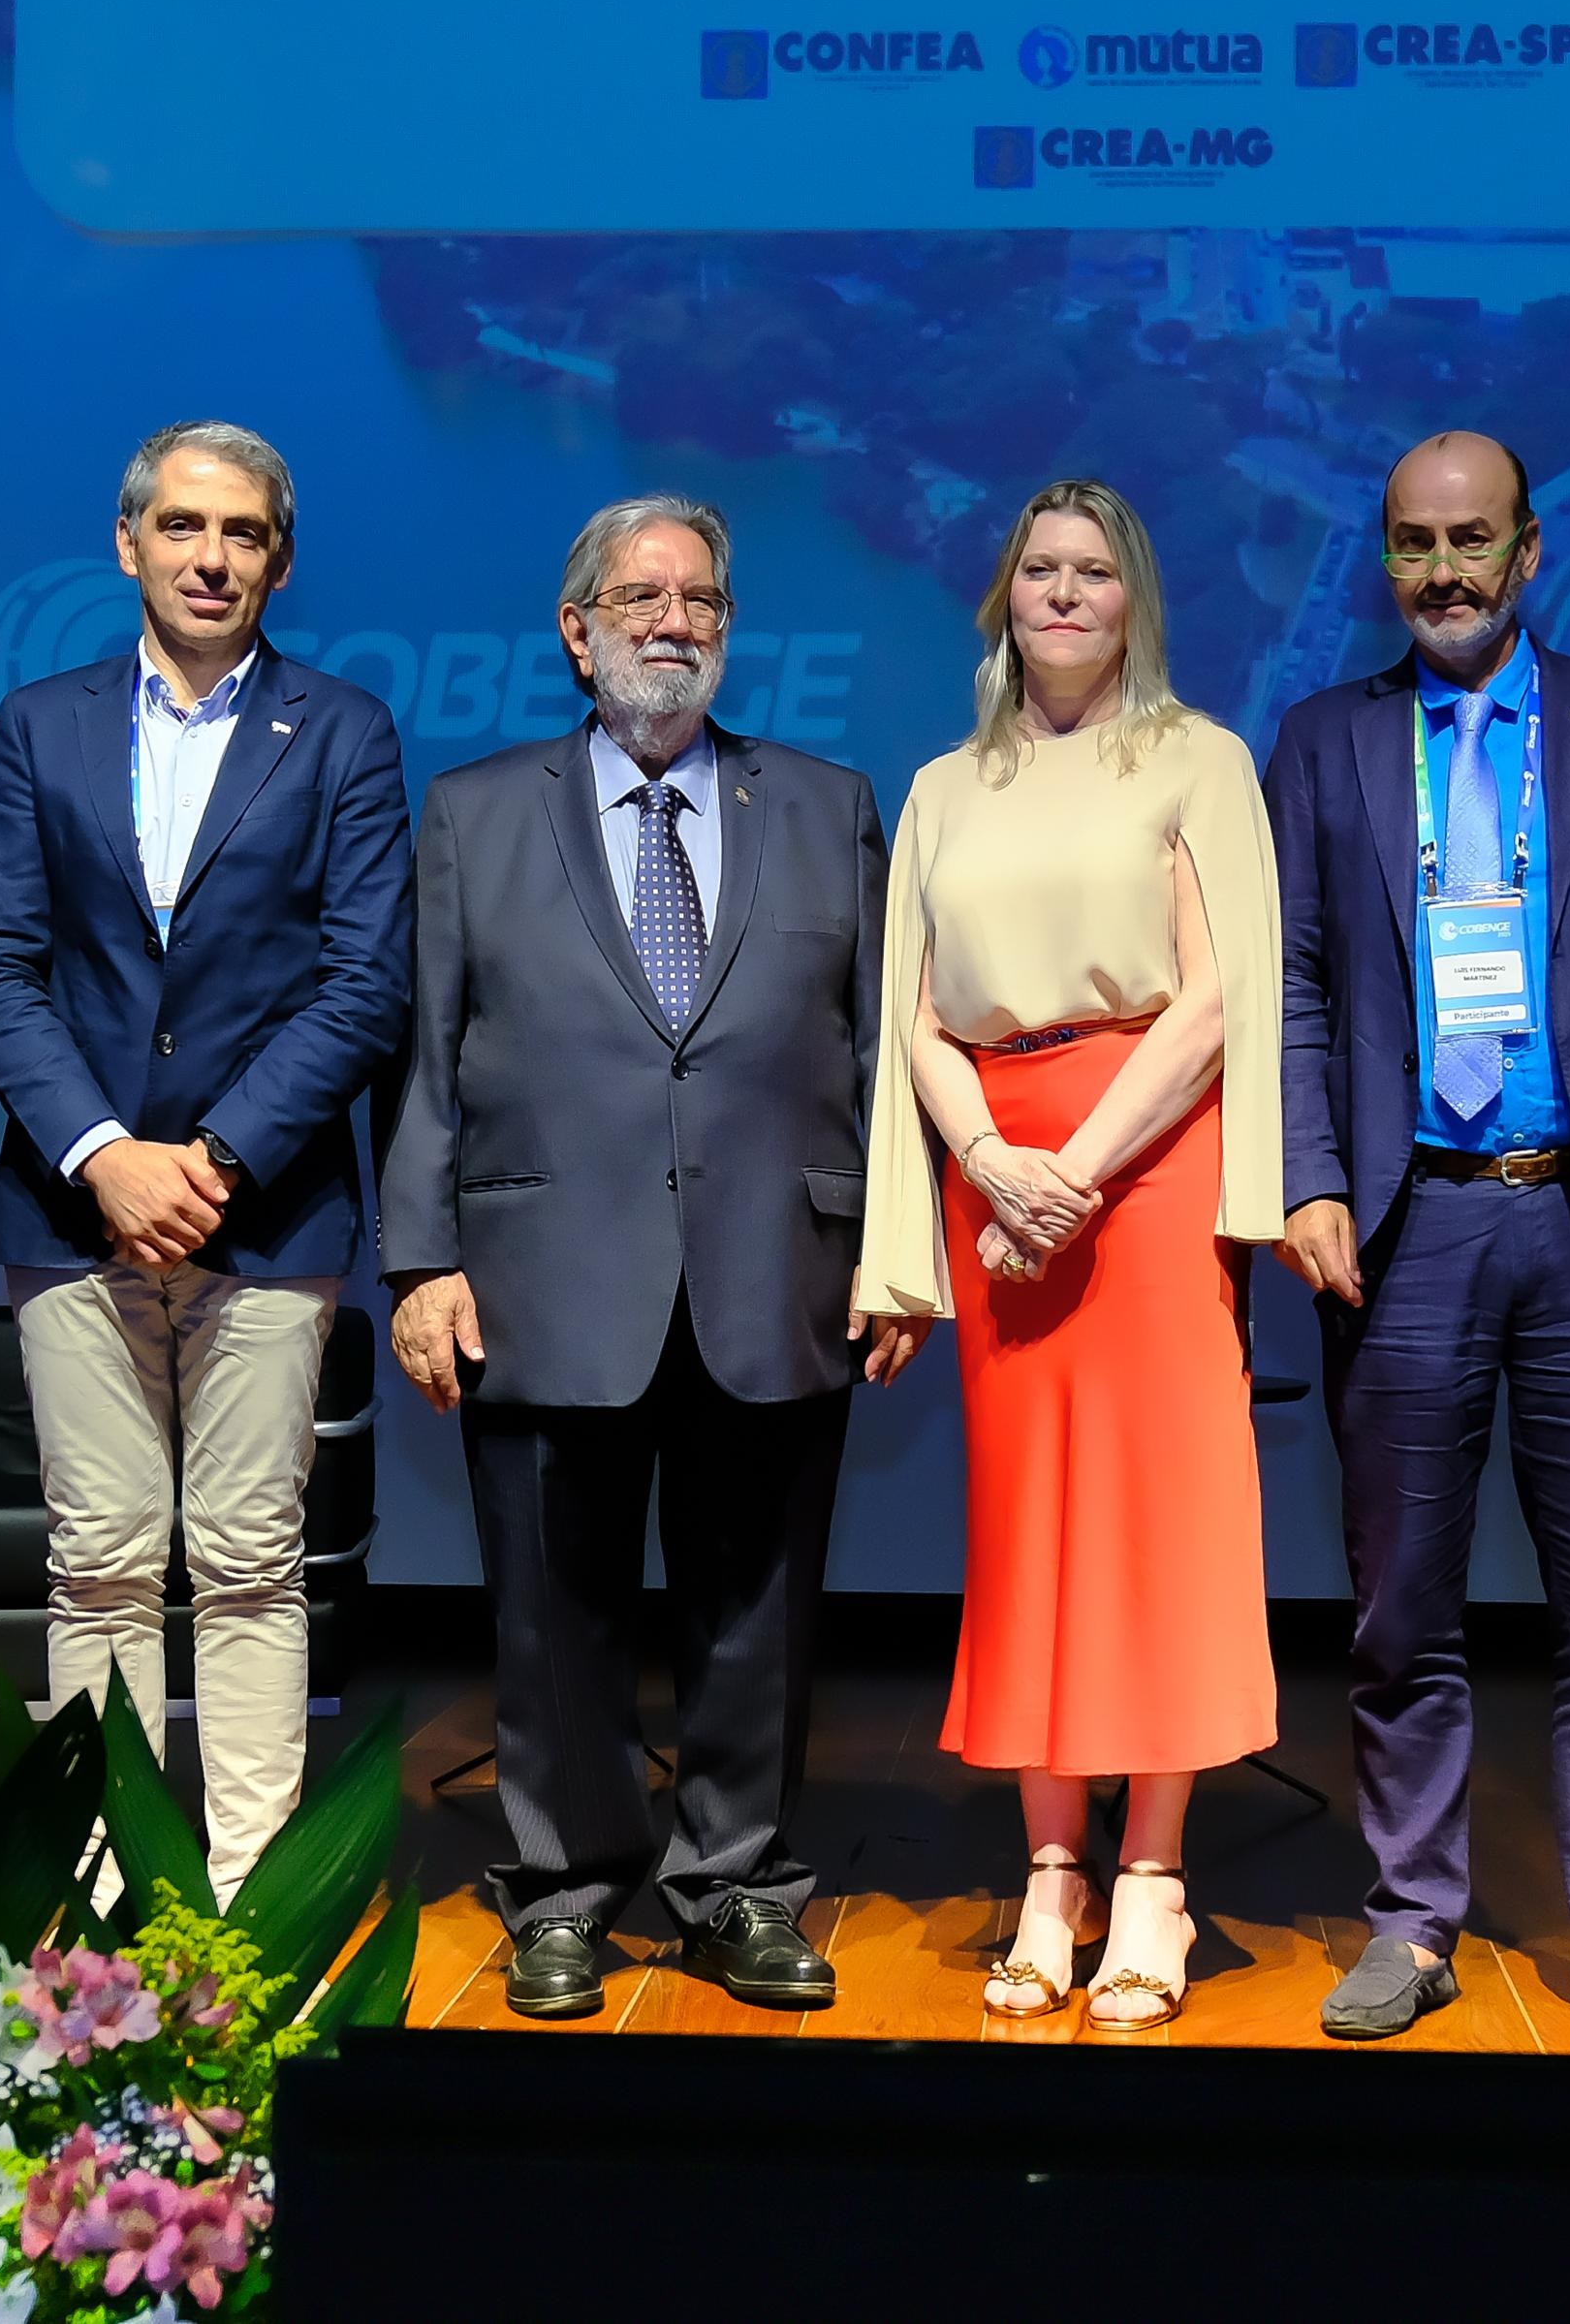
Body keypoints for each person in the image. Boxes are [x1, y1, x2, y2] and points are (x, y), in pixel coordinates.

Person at [383, 494, 926, 2019]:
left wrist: (900, 1251)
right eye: (639, 596)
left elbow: (880, 1049)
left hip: (776, 1267)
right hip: (541, 1266)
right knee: (554, 1610)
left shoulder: (826, 804)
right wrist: (420, 1258)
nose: (672, 619)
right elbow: (426, 1057)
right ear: (577, 629)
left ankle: (739, 1885)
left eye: (699, 598)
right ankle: (564, 1889)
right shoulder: (477, 813)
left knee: (756, 1604)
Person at [1263, 428, 1570, 2047]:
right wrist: (1308, 1176)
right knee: (1403, 1612)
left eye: (1474, 540)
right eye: (1415, 543)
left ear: (1530, 549)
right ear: (1385, 560)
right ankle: (1411, 1918)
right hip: (1406, 1235)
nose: (1446, 571)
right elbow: (1299, 987)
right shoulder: (1326, 739)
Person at [0, 420, 415, 1904]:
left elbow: (366, 982)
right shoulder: (42, 722)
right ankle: (95, 1891)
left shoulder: (343, 729)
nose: (214, 557)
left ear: (281, 560)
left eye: (246, 534)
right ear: (130, 539)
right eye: (186, 526)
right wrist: (104, 1155)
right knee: (95, 1558)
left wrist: (208, 1157)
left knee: (249, 1558)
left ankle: (249, 1896)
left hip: (267, 1213)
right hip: (70, 1211)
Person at [859, 478, 1283, 2030]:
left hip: (1148, 1169)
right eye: (1037, 567)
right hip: (1000, 1175)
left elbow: (1221, 994)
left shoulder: (1201, 760)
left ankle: (1155, 1874)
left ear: (1135, 598)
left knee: (1160, 1516)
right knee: (1031, 1519)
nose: (1062, 590)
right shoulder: (941, 788)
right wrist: (989, 1163)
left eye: (1094, 568)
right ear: (1002, 597)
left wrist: (1081, 1171)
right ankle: (1050, 1867)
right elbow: (910, 1012)